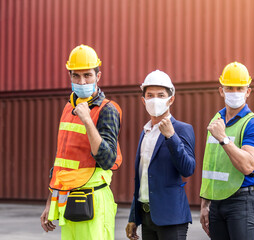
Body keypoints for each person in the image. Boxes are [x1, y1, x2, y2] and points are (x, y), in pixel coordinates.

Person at [40, 44, 123, 240]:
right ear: (70, 76)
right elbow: (61, 161)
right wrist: (50, 201)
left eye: (87, 75)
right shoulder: (68, 108)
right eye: (76, 76)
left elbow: (107, 159)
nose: (82, 81)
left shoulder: (107, 110)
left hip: (93, 201)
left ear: (98, 76)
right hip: (68, 203)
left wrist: (87, 120)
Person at [199, 62, 254, 240]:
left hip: (242, 202)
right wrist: (205, 203)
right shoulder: (217, 119)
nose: (235, 92)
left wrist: (223, 138)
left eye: (240, 88)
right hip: (216, 203)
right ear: (221, 90)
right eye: (230, 88)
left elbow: (248, 165)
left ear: (248, 91)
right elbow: (212, 165)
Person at [125, 70, 196, 240]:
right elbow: (143, 177)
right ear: (143, 100)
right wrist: (134, 217)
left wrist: (171, 137)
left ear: (171, 99)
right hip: (147, 217)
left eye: (160, 95)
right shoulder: (145, 132)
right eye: (150, 95)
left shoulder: (181, 129)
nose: (155, 99)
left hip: (171, 218)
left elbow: (188, 168)